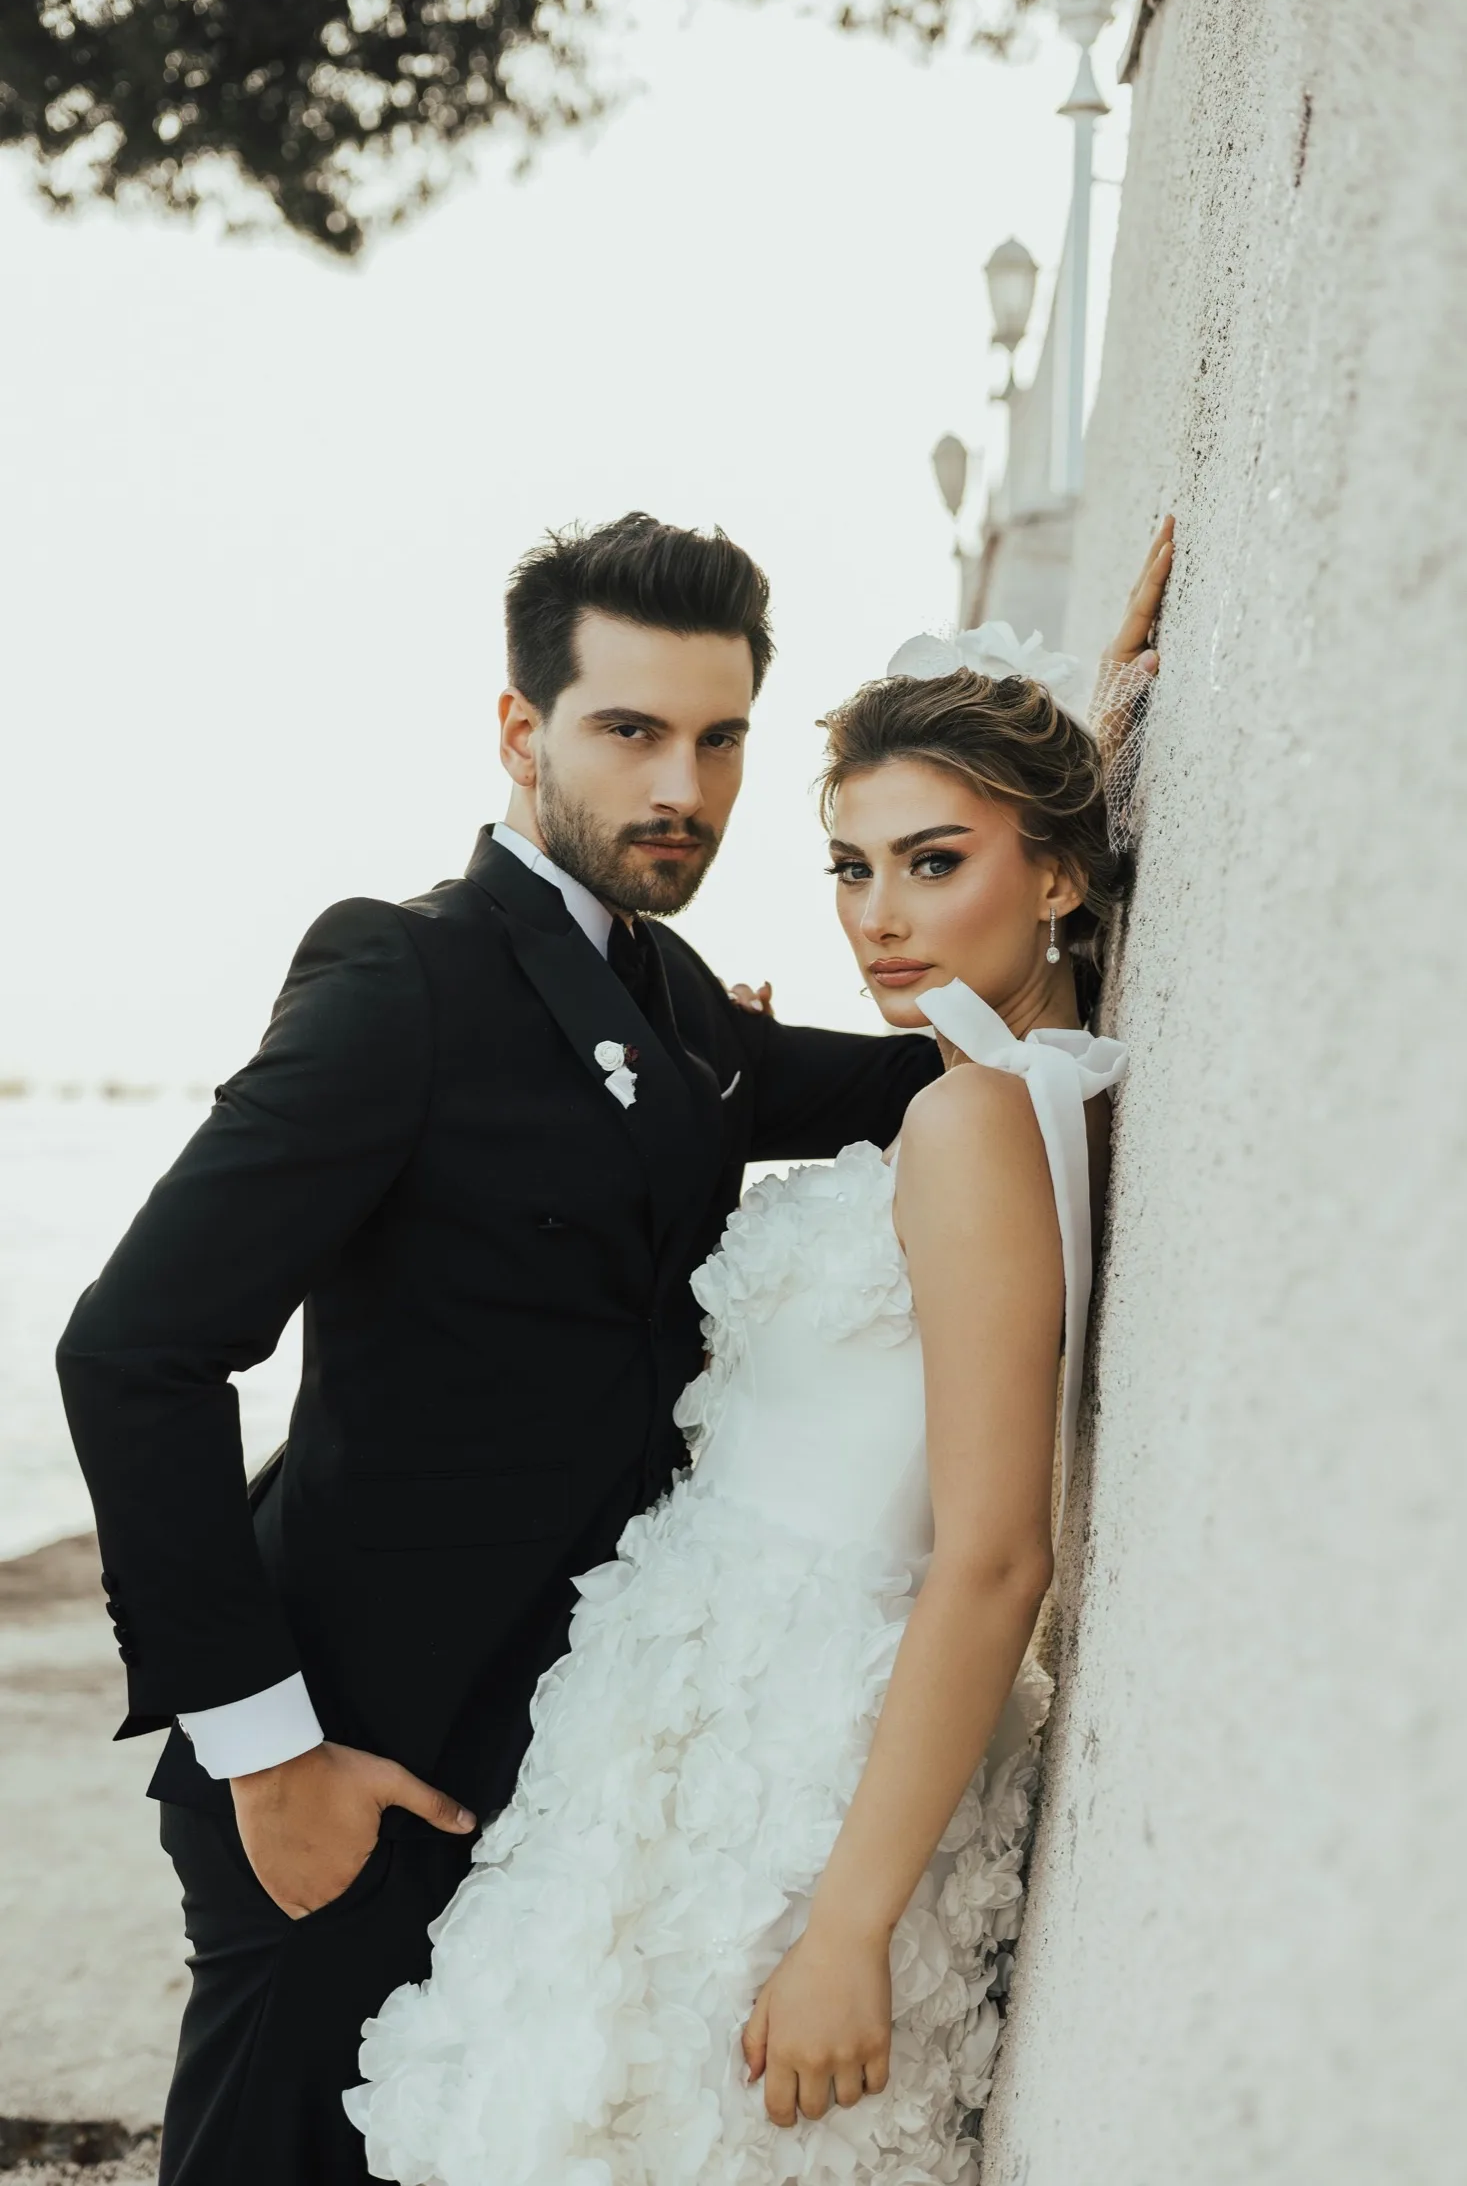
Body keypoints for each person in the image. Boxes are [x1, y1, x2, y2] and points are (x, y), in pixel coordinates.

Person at [55, 513, 953, 2186]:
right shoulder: (403, 973)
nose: (679, 783)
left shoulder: (675, 997)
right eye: (629, 730)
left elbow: (936, 1073)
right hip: (347, 1764)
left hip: (557, 1770)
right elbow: (134, 1353)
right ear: (519, 732)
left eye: (718, 738)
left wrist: (1060, 781)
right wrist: (268, 1754)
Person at [342, 531, 1174, 2186]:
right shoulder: (1017, 1091)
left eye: (934, 863)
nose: (881, 918)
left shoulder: (968, 1127)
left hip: (792, 1769)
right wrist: (1083, 724)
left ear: (1060, 873)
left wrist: (849, 1929)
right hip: (699, 1724)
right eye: (853, 869)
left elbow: (998, 1558)